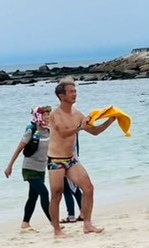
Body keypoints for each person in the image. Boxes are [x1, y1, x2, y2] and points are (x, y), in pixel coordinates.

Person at [47, 80, 115, 236]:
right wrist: (80, 127)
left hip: (71, 160)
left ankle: (87, 224)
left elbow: (95, 131)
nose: (75, 94)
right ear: (61, 96)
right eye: (71, 92)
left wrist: (110, 120)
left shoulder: (78, 114)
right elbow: (63, 133)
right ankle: (57, 230)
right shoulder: (55, 114)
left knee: (89, 188)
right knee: (56, 194)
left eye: (75, 91)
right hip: (55, 160)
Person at [4, 106, 50, 230]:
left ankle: (25, 223)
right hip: (29, 168)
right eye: (45, 115)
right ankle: (54, 222)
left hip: (41, 169)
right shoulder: (31, 131)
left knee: (33, 197)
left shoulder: (49, 130)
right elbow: (19, 149)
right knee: (44, 193)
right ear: (38, 116)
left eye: (48, 114)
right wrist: (10, 166)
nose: (48, 117)